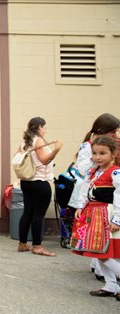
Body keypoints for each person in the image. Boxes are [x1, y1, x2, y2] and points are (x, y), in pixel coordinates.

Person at [68, 113, 120, 281]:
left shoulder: (114, 172)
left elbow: (118, 196)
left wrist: (117, 219)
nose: (97, 156)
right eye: (112, 131)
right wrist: (80, 206)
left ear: (112, 154)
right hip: (94, 210)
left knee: (103, 249)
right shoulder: (93, 164)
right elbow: (84, 178)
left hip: (106, 210)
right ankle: (110, 283)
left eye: (101, 153)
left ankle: (111, 280)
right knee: (96, 249)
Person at [16, 117, 62, 256]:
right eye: (45, 127)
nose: (46, 130)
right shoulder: (39, 140)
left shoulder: (24, 142)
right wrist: (56, 149)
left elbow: (17, 159)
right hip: (39, 182)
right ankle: (37, 246)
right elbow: (44, 159)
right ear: (39, 128)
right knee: (38, 215)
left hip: (26, 181)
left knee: (27, 212)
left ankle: (22, 244)